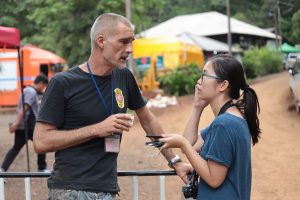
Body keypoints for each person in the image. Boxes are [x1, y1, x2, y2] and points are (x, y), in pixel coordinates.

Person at [33, 13, 189, 200]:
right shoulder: (63, 83)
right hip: (70, 190)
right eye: (124, 42)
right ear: (101, 41)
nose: (130, 49)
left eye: (132, 42)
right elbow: (40, 142)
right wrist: (97, 129)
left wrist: (175, 161)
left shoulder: (124, 77)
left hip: (107, 190)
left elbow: (148, 120)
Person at [159, 54, 261, 200]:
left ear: (223, 85)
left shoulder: (224, 124)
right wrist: (197, 107)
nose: (198, 82)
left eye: (204, 75)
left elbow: (214, 179)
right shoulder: (229, 119)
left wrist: (182, 143)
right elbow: (191, 144)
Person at [0, 74, 49, 173]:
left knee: (15, 148)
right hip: (29, 126)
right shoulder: (31, 92)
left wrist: (16, 123)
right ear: (40, 83)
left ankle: (3, 169)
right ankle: (41, 168)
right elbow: (24, 108)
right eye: (44, 86)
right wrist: (15, 124)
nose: (43, 89)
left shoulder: (26, 90)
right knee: (42, 144)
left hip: (24, 126)